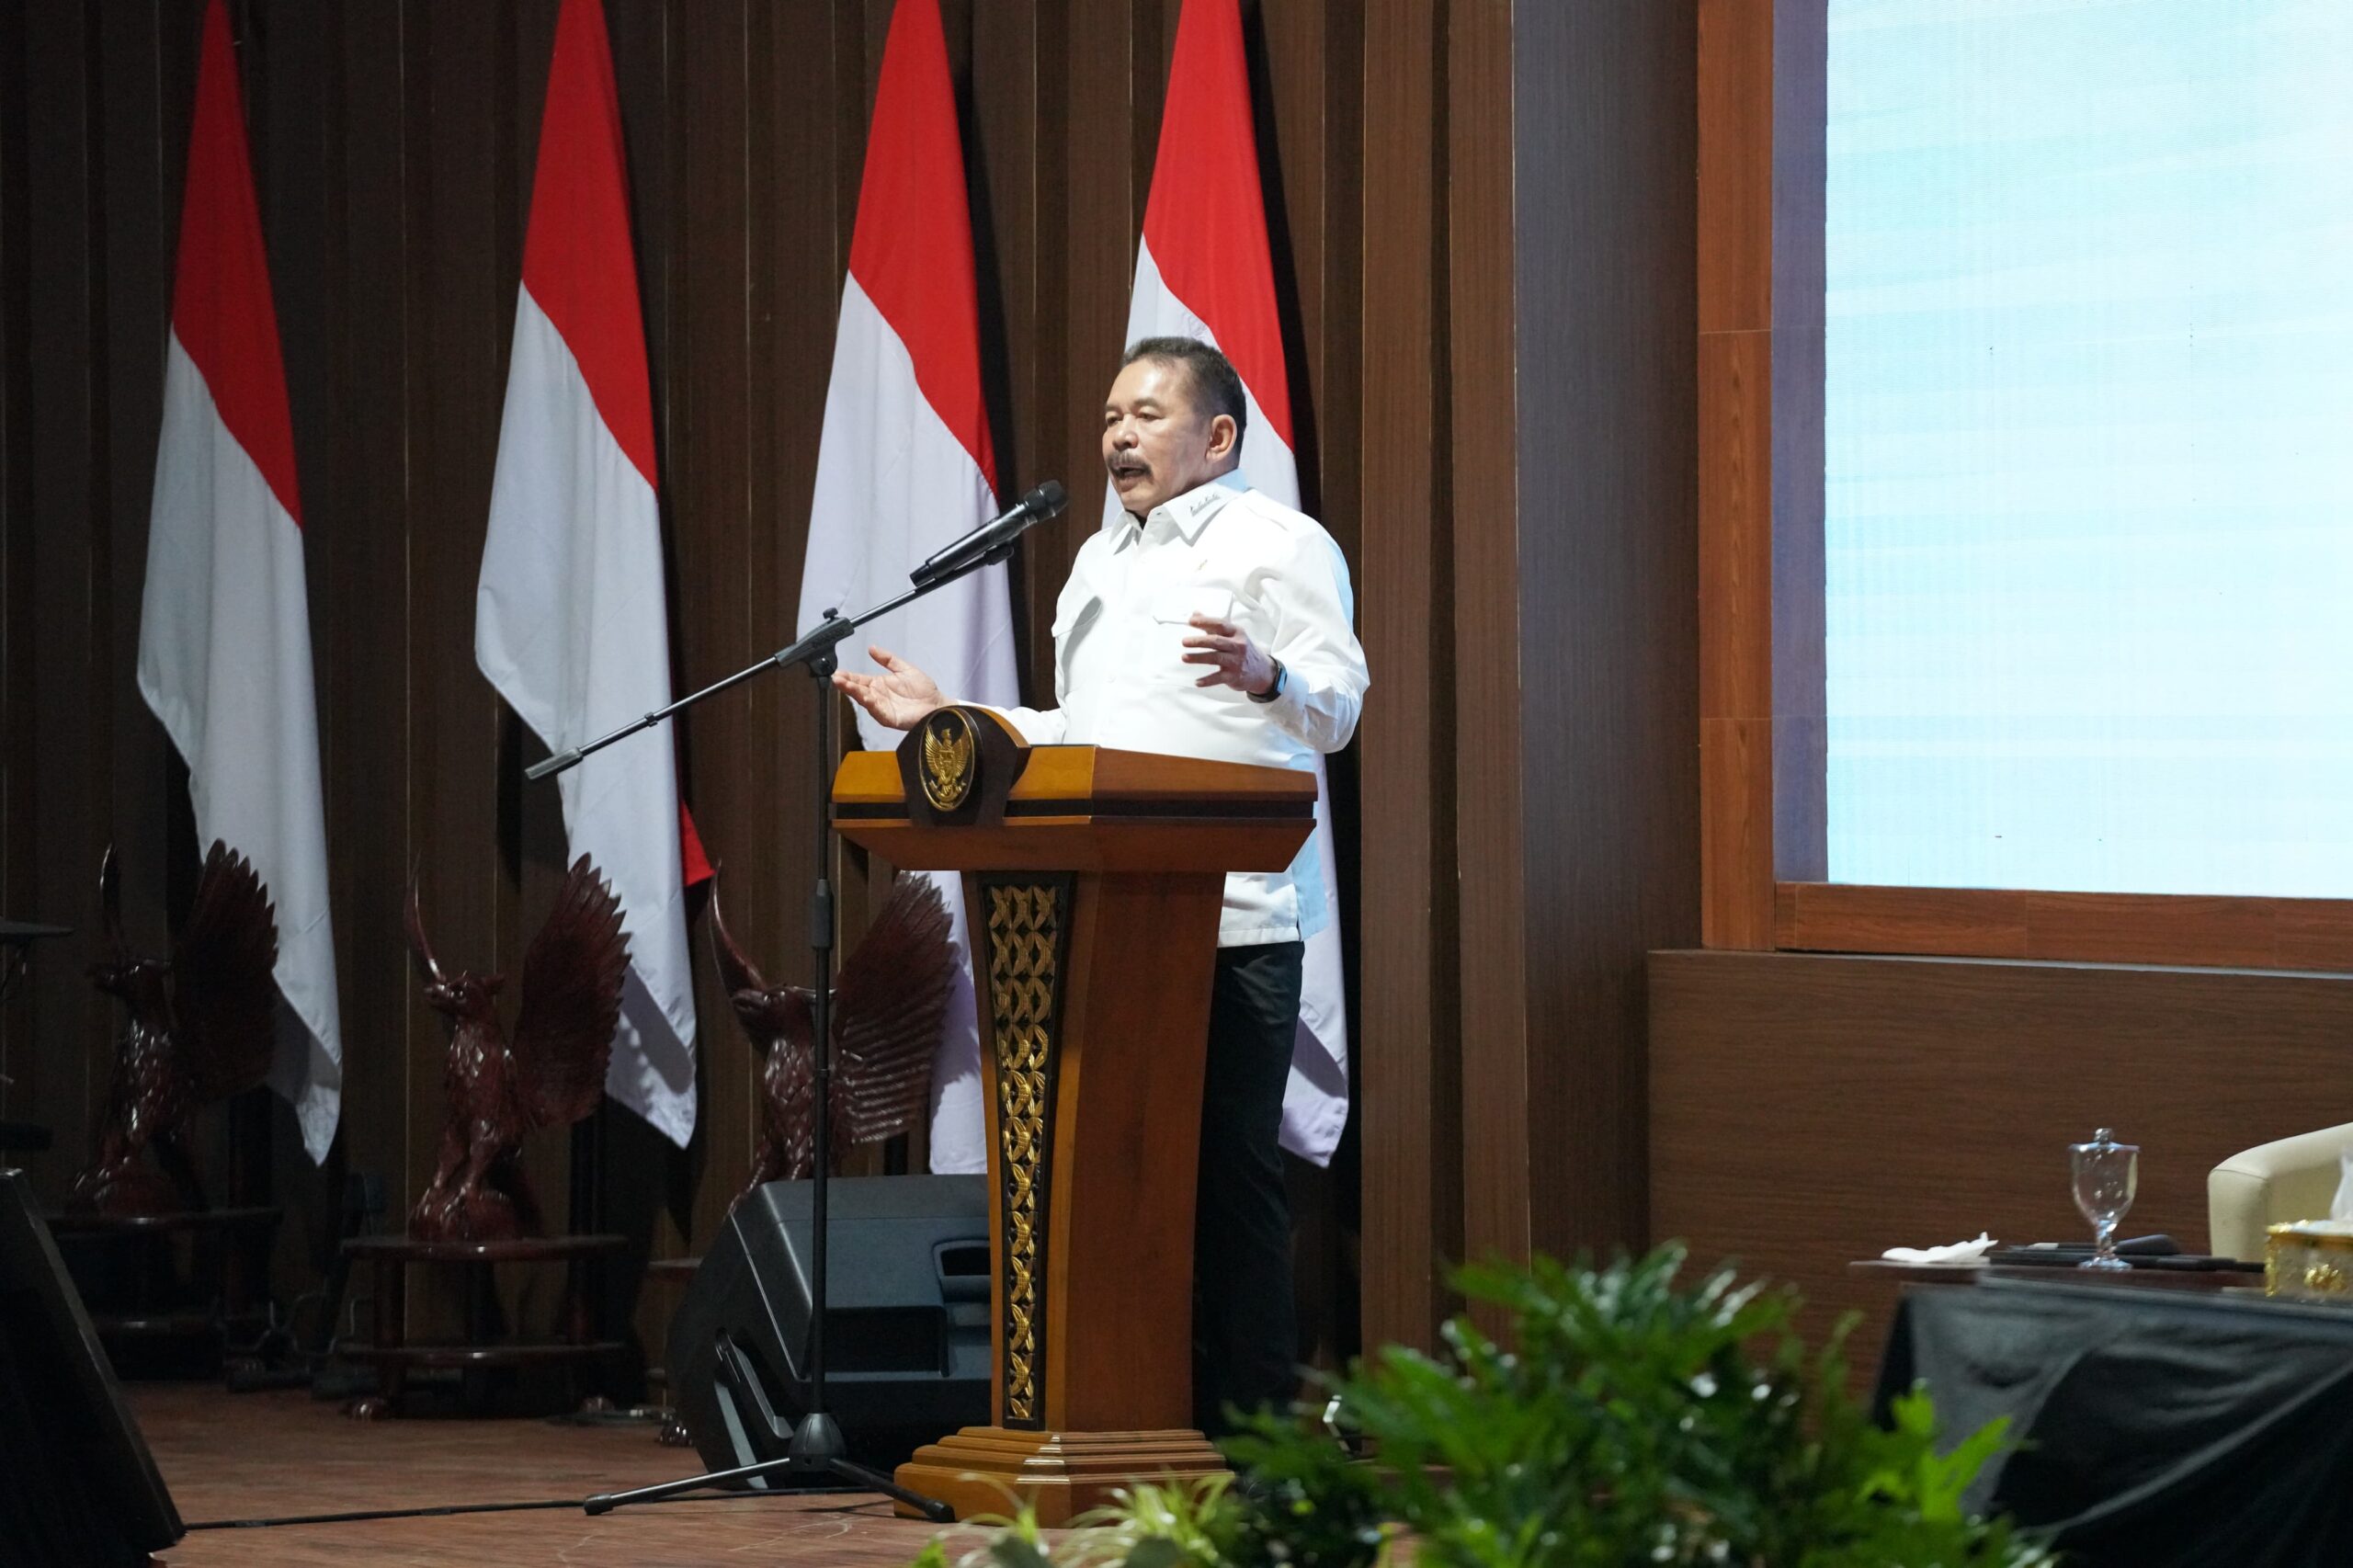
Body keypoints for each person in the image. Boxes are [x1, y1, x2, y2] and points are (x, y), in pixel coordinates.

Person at [835, 336, 1369, 1432]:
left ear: (1217, 435)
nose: (1119, 435)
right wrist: (952, 719)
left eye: (1146, 415)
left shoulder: (1279, 545)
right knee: (1119, 1180)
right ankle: (1137, 1419)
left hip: (1231, 922)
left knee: (1224, 1181)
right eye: (1111, 416)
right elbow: (1080, 733)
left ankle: (1256, 1442)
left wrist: (1267, 672)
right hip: (1102, 919)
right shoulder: (1095, 561)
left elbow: (1338, 706)